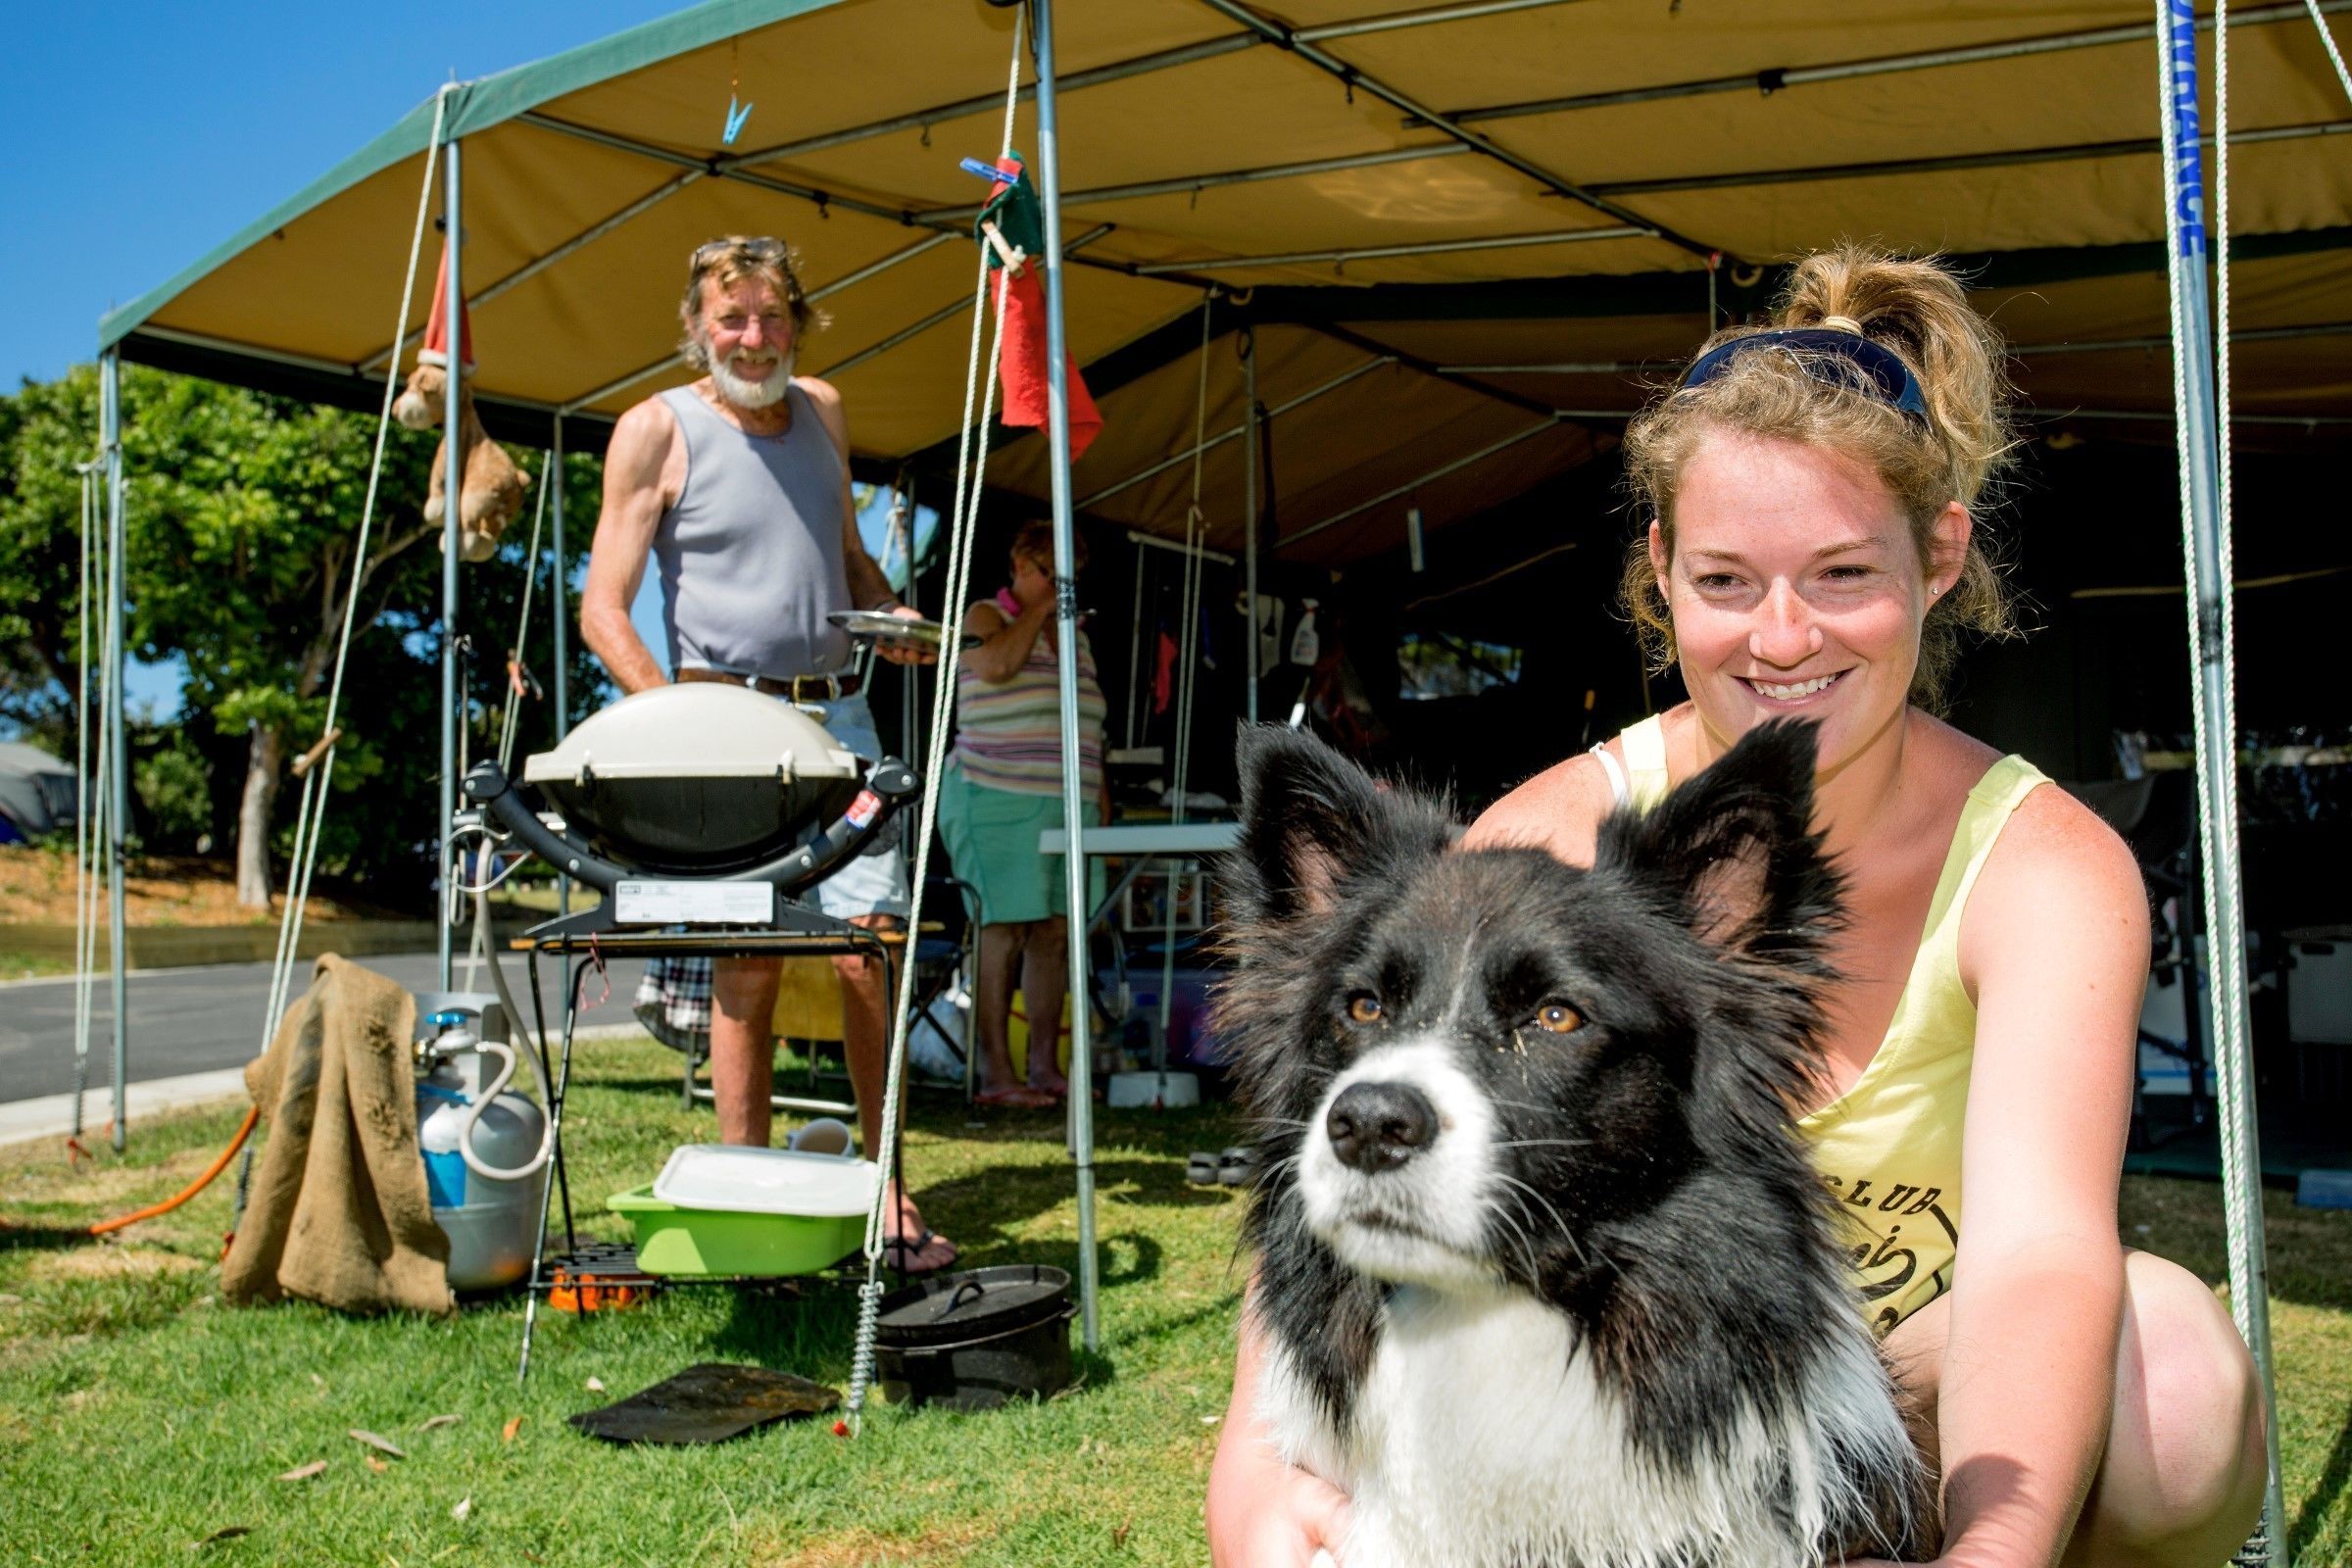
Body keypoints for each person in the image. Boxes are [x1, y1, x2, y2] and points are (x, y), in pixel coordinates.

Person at [1205, 247, 2268, 1567]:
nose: (1781, 638)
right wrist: (1253, 1465)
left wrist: (2001, 1545)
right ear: (1659, 574)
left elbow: (2043, 1253)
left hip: (1925, 1367)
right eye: (1725, 581)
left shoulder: (2045, 868)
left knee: (2168, 1376)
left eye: (1839, 575)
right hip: (1638, 1369)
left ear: (1939, 559)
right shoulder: (1542, 840)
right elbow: (1357, 1121)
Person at [580, 234, 955, 1275]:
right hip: (730, 730)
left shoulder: (825, 411)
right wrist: (678, 727)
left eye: (773, 315)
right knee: (745, 964)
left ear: (800, 321)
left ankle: (885, 1190)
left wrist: (895, 613)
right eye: (731, 318)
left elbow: (843, 555)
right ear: (699, 328)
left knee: (871, 951)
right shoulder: (656, 428)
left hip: (844, 718)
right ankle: (742, 1192)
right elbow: (602, 613)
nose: (754, 337)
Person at [937, 519, 1109, 1107]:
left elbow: (1089, 728)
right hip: (995, 795)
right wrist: (1038, 612)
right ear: (1019, 568)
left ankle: (1045, 1066)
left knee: (1055, 934)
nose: (1060, 586)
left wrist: (1099, 803)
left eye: (1068, 577)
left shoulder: (1078, 637)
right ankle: (996, 1073)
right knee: (1002, 928)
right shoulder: (985, 617)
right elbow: (997, 668)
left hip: (1067, 802)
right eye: (1047, 573)